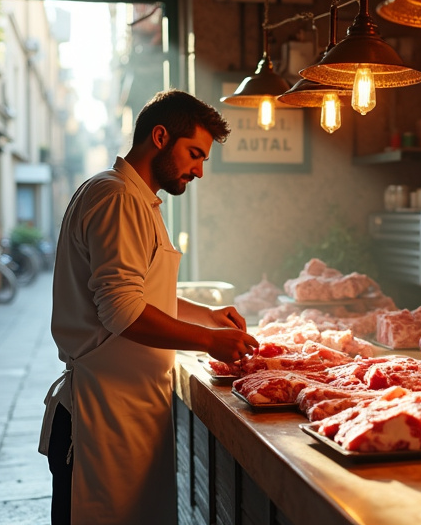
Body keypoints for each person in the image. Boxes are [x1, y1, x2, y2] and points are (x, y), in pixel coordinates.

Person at [38, 89, 259, 524]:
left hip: (127, 411)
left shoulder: (136, 197)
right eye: (194, 154)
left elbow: (141, 293)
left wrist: (207, 315)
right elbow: (120, 310)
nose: (198, 170)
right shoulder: (115, 197)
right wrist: (208, 340)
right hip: (101, 417)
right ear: (160, 137)